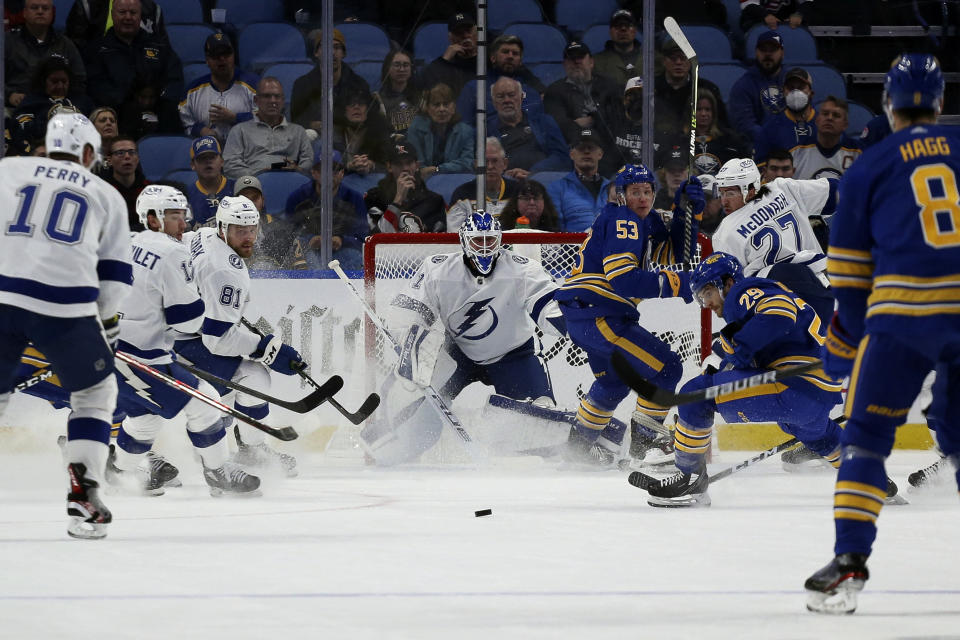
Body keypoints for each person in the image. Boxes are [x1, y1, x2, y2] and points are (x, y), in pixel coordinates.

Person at [804, 53, 960, 615]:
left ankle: (848, 567)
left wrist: (843, 344)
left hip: (901, 317)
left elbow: (846, 274)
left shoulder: (868, 166)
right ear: (939, 102)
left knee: (866, 439)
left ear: (889, 104)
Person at [0, 113, 132, 539]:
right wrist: (107, 334)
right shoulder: (105, 193)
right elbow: (113, 280)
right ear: (89, 153)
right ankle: (83, 495)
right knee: (95, 393)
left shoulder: (8, 169)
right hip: (64, 305)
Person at [641, 252, 847, 506]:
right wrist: (725, 358)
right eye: (701, 297)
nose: (706, 303)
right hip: (816, 396)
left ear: (726, 283)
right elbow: (765, 335)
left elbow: (779, 314)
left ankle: (688, 477)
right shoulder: (753, 302)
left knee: (695, 396)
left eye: (707, 293)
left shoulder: (741, 290)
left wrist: (734, 349)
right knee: (819, 435)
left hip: (794, 386)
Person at [363, 211, 567, 465]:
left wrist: (568, 324)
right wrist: (409, 340)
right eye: (477, 241)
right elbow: (409, 310)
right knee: (422, 424)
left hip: (514, 355)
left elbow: (548, 304)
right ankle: (390, 440)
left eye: (490, 241)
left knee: (538, 422)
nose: (484, 248)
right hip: (458, 354)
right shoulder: (438, 269)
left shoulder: (522, 269)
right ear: (463, 241)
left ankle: (548, 473)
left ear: (499, 240)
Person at [112, 185, 259, 496]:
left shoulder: (127, 241)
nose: (183, 223)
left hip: (115, 348)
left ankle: (114, 471)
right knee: (206, 403)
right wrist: (211, 309)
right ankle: (219, 473)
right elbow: (187, 320)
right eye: (174, 216)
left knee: (144, 419)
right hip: (143, 356)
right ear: (152, 218)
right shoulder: (171, 252)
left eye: (183, 215)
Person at [554, 165, 704, 466]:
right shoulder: (624, 220)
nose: (643, 197)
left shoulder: (640, 221)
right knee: (667, 368)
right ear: (621, 195)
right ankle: (645, 447)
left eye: (648, 191)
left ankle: (577, 450)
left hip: (585, 317)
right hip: (601, 315)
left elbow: (677, 254)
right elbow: (623, 279)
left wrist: (686, 212)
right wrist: (680, 284)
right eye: (635, 191)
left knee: (613, 383)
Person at [174, 196, 304, 477]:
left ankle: (219, 445)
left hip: (173, 325)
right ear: (223, 227)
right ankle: (244, 451)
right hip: (176, 338)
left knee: (229, 388)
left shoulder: (205, 235)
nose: (248, 237)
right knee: (253, 377)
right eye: (239, 230)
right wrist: (265, 348)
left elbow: (178, 246)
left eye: (252, 229)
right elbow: (217, 340)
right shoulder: (224, 270)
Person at [711, 157, 835, 322]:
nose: (724, 200)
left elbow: (732, 292)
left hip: (778, 304)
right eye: (722, 193)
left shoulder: (724, 233)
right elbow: (834, 192)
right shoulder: (782, 188)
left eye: (731, 193)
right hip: (821, 282)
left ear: (751, 189)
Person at [83, 0, 183, 127]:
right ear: (113, 15)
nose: (128, 17)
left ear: (140, 16)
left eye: (133, 12)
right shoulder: (97, 50)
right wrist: (130, 105)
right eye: (122, 12)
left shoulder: (159, 46)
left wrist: (158, 102)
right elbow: (96, 87)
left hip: (160, 114)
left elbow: (174, 79)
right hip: (117, 117)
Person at [543, 41, 623, 178]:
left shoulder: (610, 86)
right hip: (571, 153)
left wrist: (591, 119)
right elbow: (559, 125)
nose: (576, 62)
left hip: (609, 151)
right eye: (571, 59)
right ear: (564, 65)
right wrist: (595, 120)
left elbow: (617, 120)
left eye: (580, 57)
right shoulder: (554, 91)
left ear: (591, 62)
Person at [284, 150, 368, 270]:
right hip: (308, 251)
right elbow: (289, 234)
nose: (329, 175)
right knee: (306, 260)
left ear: (342, 173)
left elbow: (362, 237)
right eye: (323, 170)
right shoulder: (297, 198)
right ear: (314, 173)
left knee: (354, 256)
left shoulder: (355, 199)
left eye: (334, 170)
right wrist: (309, 240)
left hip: (345, 251)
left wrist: (341, 240)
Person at [222, 77, 313, 179]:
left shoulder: (298, 131)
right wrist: (256, 176)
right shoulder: (239, 130)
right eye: (267, 96)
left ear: (283, 101)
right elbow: (230, 165)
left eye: (277, 96)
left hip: (290, 182)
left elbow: (308, 160)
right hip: (253, 186)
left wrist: (297, 170)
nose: (273, 101)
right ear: (256, 100)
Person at [4, 0, 87, 109]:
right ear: (24, 12)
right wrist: (9, 95)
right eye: (34, 8)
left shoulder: (65, 44)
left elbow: (80, 81)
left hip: (58, 109)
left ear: (52, 12)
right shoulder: (7, 42)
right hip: (15, 108)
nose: (40, 11)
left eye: (45, 8)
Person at [178, 32, 259, 143]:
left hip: (247, 152)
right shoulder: (191, 92)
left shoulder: (254, 85)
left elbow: (267, 119)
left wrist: (235, 118)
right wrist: (200, 130)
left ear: (233, 56)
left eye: (226, 54)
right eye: (216, 55)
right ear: (207, 60)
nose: (222, 59)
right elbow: (185, 125)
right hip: (207, 154)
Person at [291, 28, 372, 136]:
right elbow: (296, 122)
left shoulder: (360, 85)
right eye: (326, 47)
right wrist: (312, 125)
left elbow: (367, 121)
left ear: (343, 53)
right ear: (316, 53)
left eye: (337, 47)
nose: (332, 52)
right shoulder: (302, 85)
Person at [488, 77, 571, 180]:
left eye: (511, 95)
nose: (507, 100)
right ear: (494, 102)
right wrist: (507, 175)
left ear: (521, 97)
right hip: (505, 183)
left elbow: (562, 157)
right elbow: (484, 164)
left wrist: (535, 172)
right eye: (500, 96)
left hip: (543, 180)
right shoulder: (486, 130)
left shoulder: (543, 122)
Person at [11, 54, 94, 150]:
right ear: (43, 81)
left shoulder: (83, 101)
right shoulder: (32, 101)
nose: (60, 86)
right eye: (54, 81)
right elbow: (20, 127)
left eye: (64, 81)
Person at [455, 33, 545, 121]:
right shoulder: (474, 88)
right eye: (505, 52)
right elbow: (464, 127)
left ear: (520, 61)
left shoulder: (531, 92)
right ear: (493, 58)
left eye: (515, 53)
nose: (510, 56)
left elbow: (540, 126)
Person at [365, 143, 447, 233]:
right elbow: (377, 241)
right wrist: (397, 200)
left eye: (409, 163)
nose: (405, 168)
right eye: (398, 164)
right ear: (389, 167)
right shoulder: (374, 198)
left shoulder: (434, 201)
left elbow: (440, 242)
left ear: (417, 165)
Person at [655, 37, 728, 138]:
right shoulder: (651, 88)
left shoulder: (707, 89)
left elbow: (721, 125)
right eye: (673, 58)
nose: (679, 62)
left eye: (683, 57)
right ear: (663, 61)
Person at [446, 137, 519, 230]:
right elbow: (454, 235)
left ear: (505, 163)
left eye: (495, 161)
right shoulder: (462, 194)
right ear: (476, 164)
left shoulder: (517, 191)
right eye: (485, 161)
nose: (490, 166)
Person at [406, 82, 475, 180]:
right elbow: (415, 162)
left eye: (446, 104)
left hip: (454, 180)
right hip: (423, 181)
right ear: (428, 108)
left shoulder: (465, 131)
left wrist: (437, 169)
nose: (442, 109)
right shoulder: (416, 128)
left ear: (454, 107)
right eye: (436, 105)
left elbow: (467, 162)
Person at [546, 129, 612, 231]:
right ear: (572, 154)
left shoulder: (614, 189)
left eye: (591, 148)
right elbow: (556, 229)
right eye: (581, 148)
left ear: (600, 154)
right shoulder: (556, 188)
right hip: (573, 245)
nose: (586, 151)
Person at [729, 30, 787, 145]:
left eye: (773, 50)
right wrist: (773, 139)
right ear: (756, 52)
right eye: (763, 50)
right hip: (757, 147)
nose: (768, 54)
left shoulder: (792, 81)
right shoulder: (743, 85)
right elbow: (745, 124)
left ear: (782, 53)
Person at [753, 67, 816, 166]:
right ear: (783, 92)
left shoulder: (823, 124)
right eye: (790, 88)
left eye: (801, 87)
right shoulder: (770, 129)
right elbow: (760, 169)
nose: (795, 93)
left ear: (811, 93)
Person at [791, 96, 863, 180]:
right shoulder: (796, 152)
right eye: (825, 114)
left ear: (845, 125)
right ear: (817, 120)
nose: (829, 118)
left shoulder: (859, 153)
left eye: (836, 115)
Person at [687, 88, 752, 176]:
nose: (703, 114)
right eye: (698, 109)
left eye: (707, 109)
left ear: (714, 112)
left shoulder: (730, 140)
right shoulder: (682, 140)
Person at [333, 86, 394, 176]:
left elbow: (389, 167)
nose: (356, 107)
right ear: (344, 111)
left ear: (369, 110)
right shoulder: (333, 132)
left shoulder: (380, 132)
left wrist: (371, 165)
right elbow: (326, 166)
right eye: (351, 104)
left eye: (361, 104)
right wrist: (349, 166)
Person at [420, 13, 478, 99]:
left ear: (476, 34)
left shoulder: (488, 58)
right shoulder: (446, 63)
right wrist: (445, 59)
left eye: (468, 31)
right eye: (459, 33)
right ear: (451, 39)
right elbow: (427, 84)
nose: (465, 36)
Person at [66, 0, 166, 47]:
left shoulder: (153, 11)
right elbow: (75, 56)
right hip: (100, 78)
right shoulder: (87, 7)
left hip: (143, 80)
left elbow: (165, 57)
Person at [102, 135, 151, 232]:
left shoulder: (150, 191)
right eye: (120, 153)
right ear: (109, 160)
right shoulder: (101, 192)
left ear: (137, 158)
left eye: (132, 152)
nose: (127, 157)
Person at [184, 135, 234, 227]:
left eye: (212, 157)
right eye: (202, 158)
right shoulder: (185, 196)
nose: (208, 161)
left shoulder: (237, 190)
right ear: (192, 165)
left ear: (222, 161)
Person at [592, 9, 643, 91]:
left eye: (628, 25)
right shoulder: (596, 63)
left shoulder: (653, 59)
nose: (623, 29)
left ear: (635, 31)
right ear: (610, 32)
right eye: (617, 25)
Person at [374, 49, 420, 140]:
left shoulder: (422, 98)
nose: (401, 69)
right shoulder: (377, 99)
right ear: (387, 68)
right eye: (397, 65)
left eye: (406, 65)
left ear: (411, 69)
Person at [739, 0, 813, 32]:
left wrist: (799, 14)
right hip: (759, 27)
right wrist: (765, 15)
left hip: (789, 29)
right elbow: (748, 5)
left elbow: (808, 3)